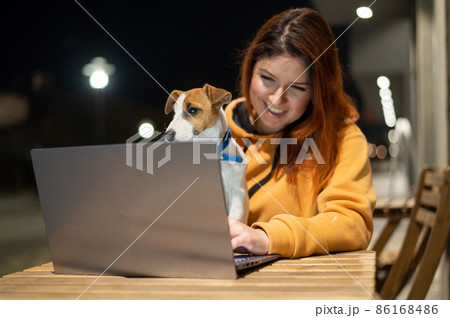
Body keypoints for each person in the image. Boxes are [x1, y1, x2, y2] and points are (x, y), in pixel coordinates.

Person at [226, 8, 376, 258]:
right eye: (267, 78)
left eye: (297, 88)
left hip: (294, 286)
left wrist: (268, 238)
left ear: (318, 91)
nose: (276, 99)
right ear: (250, 69)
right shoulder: (213, 132)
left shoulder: (342, 138)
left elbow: (352, 224)